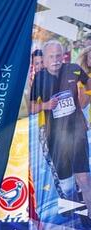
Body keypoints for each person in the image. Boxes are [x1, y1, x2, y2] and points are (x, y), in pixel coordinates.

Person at [30, 39, 91, 214]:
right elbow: (32, 107)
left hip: (77, 132)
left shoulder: (73, 68)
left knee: (84, 179)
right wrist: (46, 105)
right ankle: (75, 221)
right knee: (67, 184)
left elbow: (87, 82)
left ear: (63, 56)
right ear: (45, 59)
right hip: (55, 137)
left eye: (58, 56)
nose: (56, 60)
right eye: (51, 57)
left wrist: (84, 98)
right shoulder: (39, 78)